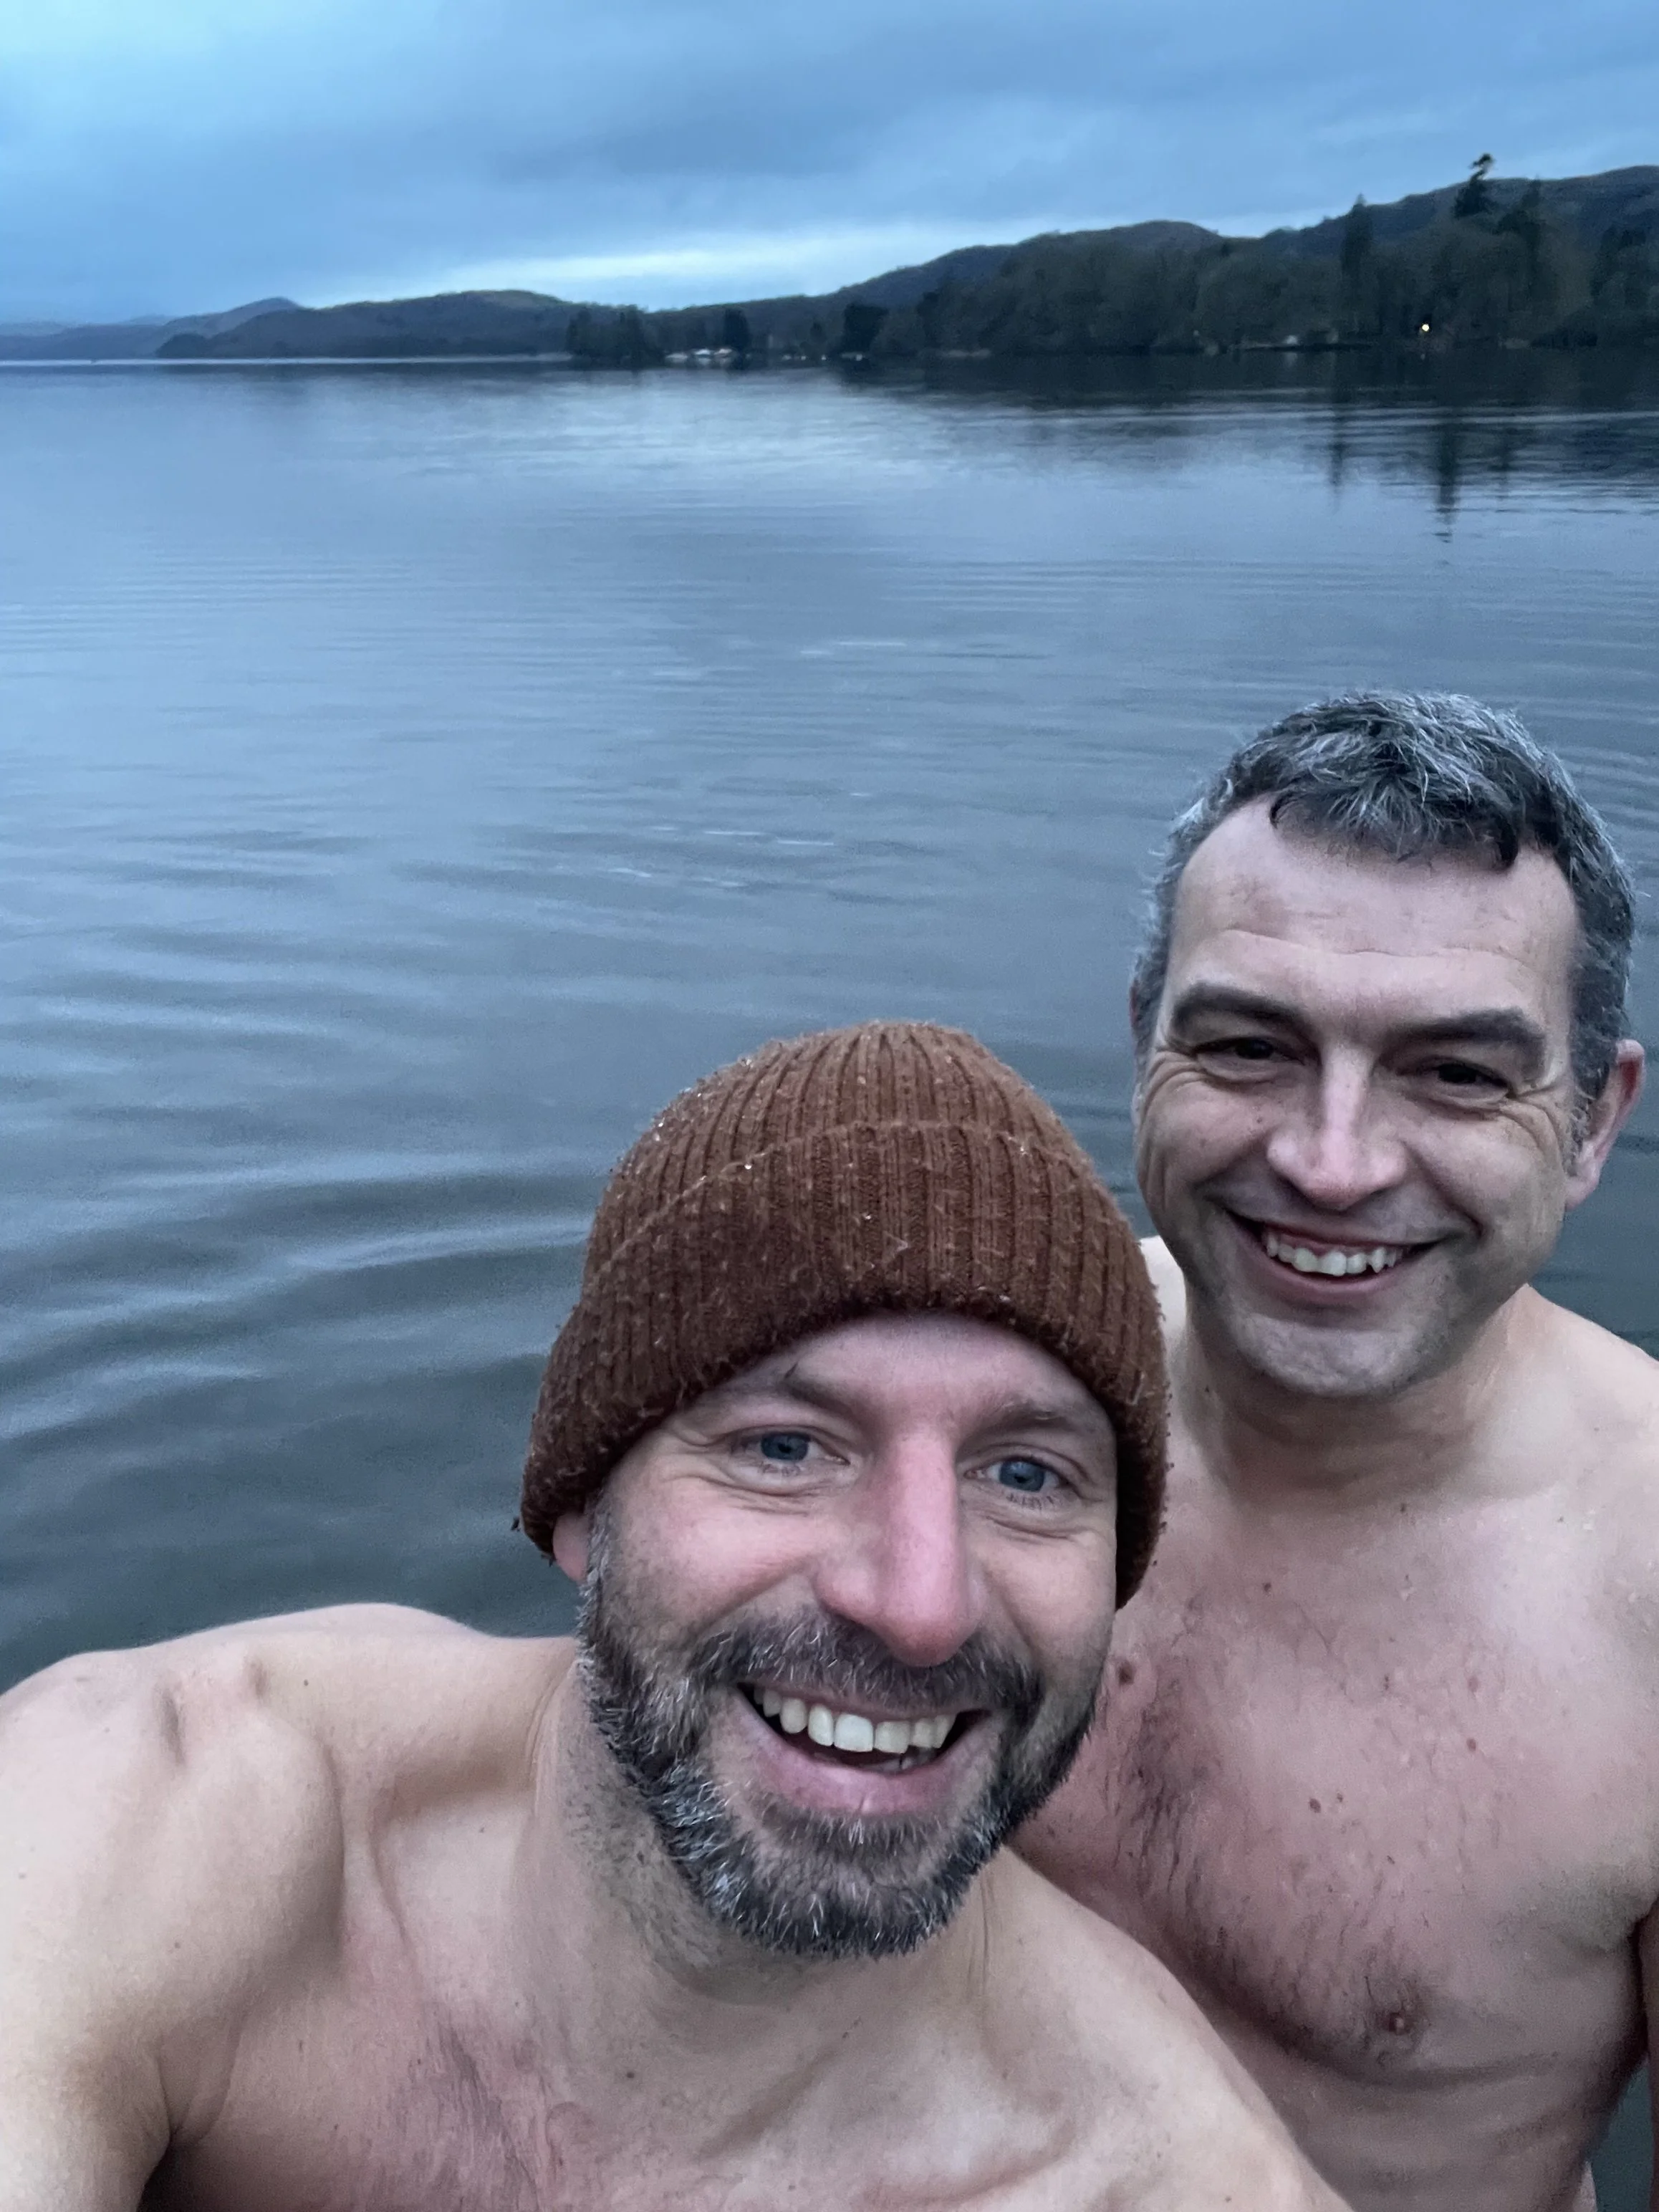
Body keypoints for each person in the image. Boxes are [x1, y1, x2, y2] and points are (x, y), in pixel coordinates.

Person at [0, 1021, 1342, 2212]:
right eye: (784, 1448)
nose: (922, 1604)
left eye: (1028, 1475)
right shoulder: (145, 1829)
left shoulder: (1162, 2174)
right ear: (583, 1505)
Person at [1019, 693, 1654, 2212]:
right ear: (1142, 1042)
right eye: (1248, 1043)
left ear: (1592, 1120)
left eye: (1456, 1072)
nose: (1331, 1160)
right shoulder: (991, 1388)